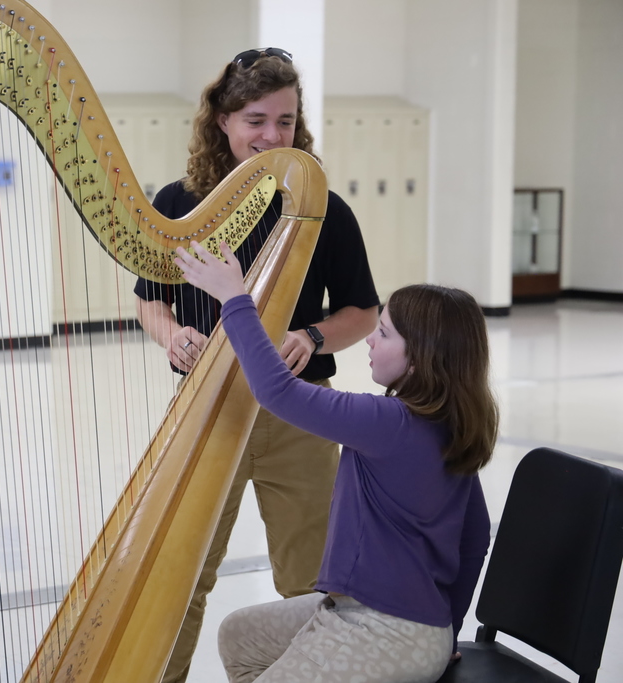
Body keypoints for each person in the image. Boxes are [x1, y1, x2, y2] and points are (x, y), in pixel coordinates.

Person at [133, 48, 380, 682]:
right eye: (256, 120)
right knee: (182, 576)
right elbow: (147, 301)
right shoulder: (179, 201)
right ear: (221, 120)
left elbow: (364, 312)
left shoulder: (324, 211)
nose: (273, 136)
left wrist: (316, 337)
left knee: (311, 583)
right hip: (207, 416)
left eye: (286, 121)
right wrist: (169, 334)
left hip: (300, 417)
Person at [175, 240, 497, 683]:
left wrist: (235, 299)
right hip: (404, 622)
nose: (369, 338)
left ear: (420, 360)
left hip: (384, 630)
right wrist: (447, 635)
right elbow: (475, 537)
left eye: (383, 333)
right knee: (239, 634)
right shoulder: (452, 426)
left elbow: (277, 392)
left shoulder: (386, 422)